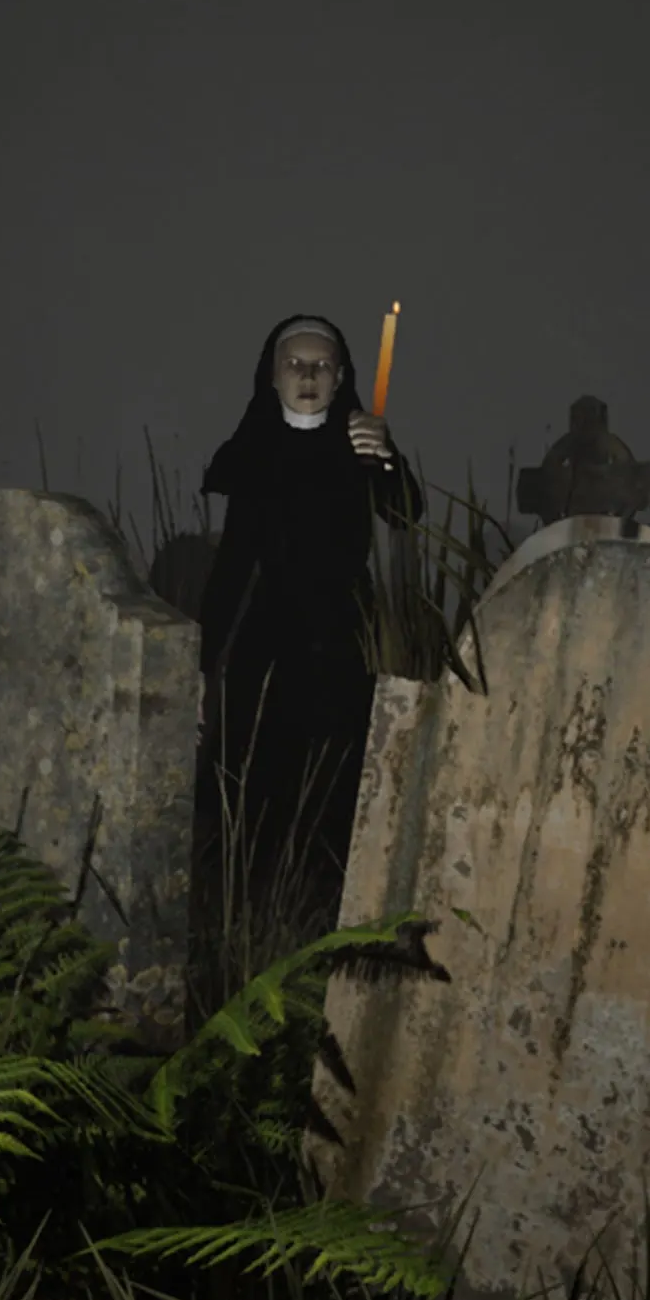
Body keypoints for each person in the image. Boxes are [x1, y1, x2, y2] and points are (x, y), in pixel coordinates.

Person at [194, 314, 424, 956]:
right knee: (254, 789)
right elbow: (232, 565)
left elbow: (405, 512)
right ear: (271, 377)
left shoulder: (360, 443)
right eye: (294, 364)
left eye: (322, 365)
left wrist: (386, 456)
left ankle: (334, 928)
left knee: (337, 787)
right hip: (266, 648)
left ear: (342, 377)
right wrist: (203, 662)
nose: (308, 375)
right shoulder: (256, 451)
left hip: (341, 641)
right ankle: (247, 932)